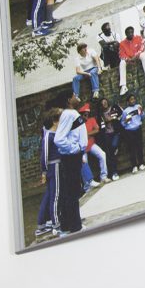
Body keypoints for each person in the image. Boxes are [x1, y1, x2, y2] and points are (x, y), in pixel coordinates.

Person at [53, 92, 87, 235]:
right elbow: (58, 139)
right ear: (69, 100)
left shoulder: (71, 114)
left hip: (74, 156)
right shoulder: (68, 114)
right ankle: (75, 226)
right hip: (71, 157)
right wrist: (75, 148)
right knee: (72, 193)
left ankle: (67, 225)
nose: (77, 96)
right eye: (74, 95)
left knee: (70, 191)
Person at [36, 108, 62, 235]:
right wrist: (44, 171)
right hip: (54, 166)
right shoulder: (49, 136)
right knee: (55, 196)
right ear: (54, 121)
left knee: (49, 195)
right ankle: (56, 223)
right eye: (60, 119)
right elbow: (44, 155)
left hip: (56, 166)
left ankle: (42, 223)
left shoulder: (55, 135)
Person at [79, 103, 109, 188]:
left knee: (102, 154)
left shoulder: (91, 120)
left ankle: (103, 177)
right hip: (82, 147)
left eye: (87, 114)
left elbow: (97, 129)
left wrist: (87, 134)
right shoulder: (78, 123)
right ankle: (87, 186)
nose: (86, 116)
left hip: (91, 144)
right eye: (84, 115)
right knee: (84, 163)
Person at [118, 26, 145, 95]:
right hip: (128, 59)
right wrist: (128, 59)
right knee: (122, 63)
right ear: (126, 34)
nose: (131, 34)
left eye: (132, 32)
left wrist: (136, 55)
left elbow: (142, 47)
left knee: (143, 54)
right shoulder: (122, 43)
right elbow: (121, 54)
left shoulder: (138, 38)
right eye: (129, 33)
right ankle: (123, 86)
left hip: (137, 56)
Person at [121, 94, 145, 173]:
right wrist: (126, 121)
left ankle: (141, 164)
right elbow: (122, 123)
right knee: (132, 148)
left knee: (139, 147)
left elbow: (143, 117)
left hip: (138, 129)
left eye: (134, 99)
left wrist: (142, 112)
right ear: (128, 102)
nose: (133, 100)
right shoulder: (125, 111)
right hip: (130, 131)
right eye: (131, 99)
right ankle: (134, 166)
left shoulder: (138, 106)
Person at [100, 97, 122, 181]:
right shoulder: (101, 114)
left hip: (115, 132)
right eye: (102, 103)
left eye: (105, 102)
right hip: (107, 134)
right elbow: (101, 125)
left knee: (113, 146)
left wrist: (112, 118)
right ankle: (114, 172)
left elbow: (121, 115)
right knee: (110, 154)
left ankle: (117, 148)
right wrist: (105, 121)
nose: (104, 104)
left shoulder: (114, 108)